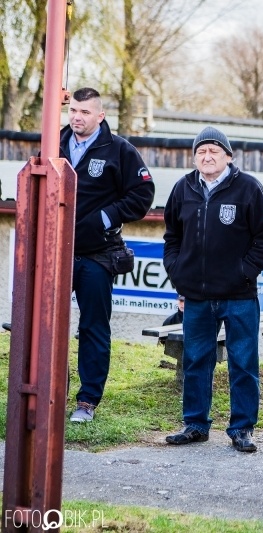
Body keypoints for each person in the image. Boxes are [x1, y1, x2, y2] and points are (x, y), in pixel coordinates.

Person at [163, 126, 263, 453]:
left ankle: (242, 428)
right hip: (197, 298)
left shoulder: (248, 188)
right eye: (201, 151)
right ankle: (195, 424)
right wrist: (178, 273)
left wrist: (243, 272)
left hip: (239, 296)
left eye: (214, 150)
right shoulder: (182, 188)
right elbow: (172, 238)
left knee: (243, 363)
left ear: (228, 156)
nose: (207, 155)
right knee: (196, 360)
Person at [62, 87, 155, 423]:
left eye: (85, 112)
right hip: (56, 254)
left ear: (100, 116)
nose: (77, 117)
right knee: (46, 325)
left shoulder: (119, 150)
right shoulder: (55, 145)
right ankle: (50, 391)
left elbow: (143, 193)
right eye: (73, 110)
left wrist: (105, 218)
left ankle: (86, 401)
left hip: (96, 256)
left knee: (93, 328)